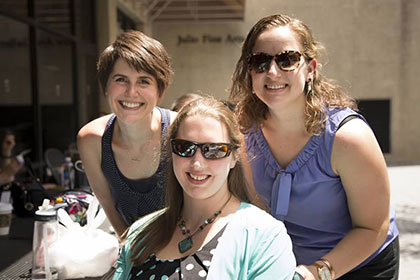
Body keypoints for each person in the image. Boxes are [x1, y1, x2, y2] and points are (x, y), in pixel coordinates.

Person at [229, 14, 399, 280]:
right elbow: (257, 212)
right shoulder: (244, 130)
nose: (272, 72)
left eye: (287, 60)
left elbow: (373, 228)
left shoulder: (348, 138)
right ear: (249, 71)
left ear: (310, 69)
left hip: (360, 264)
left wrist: (316, 272)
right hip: (290, 267)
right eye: (260, 61)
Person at [113, 97, 297, 280]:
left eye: (214, 150)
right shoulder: (141, 233)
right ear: (171, 151)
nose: (197, 163)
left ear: (234, 157)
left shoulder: (265, 236)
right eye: (185, 147)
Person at [77, 30, 176, 237]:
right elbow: (106, 201)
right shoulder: (92, 140)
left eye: (143, 81)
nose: (131, 92)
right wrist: (129, 247)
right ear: (106, 87)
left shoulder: (181, 131)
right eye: (121, 79)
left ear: (160, 89)